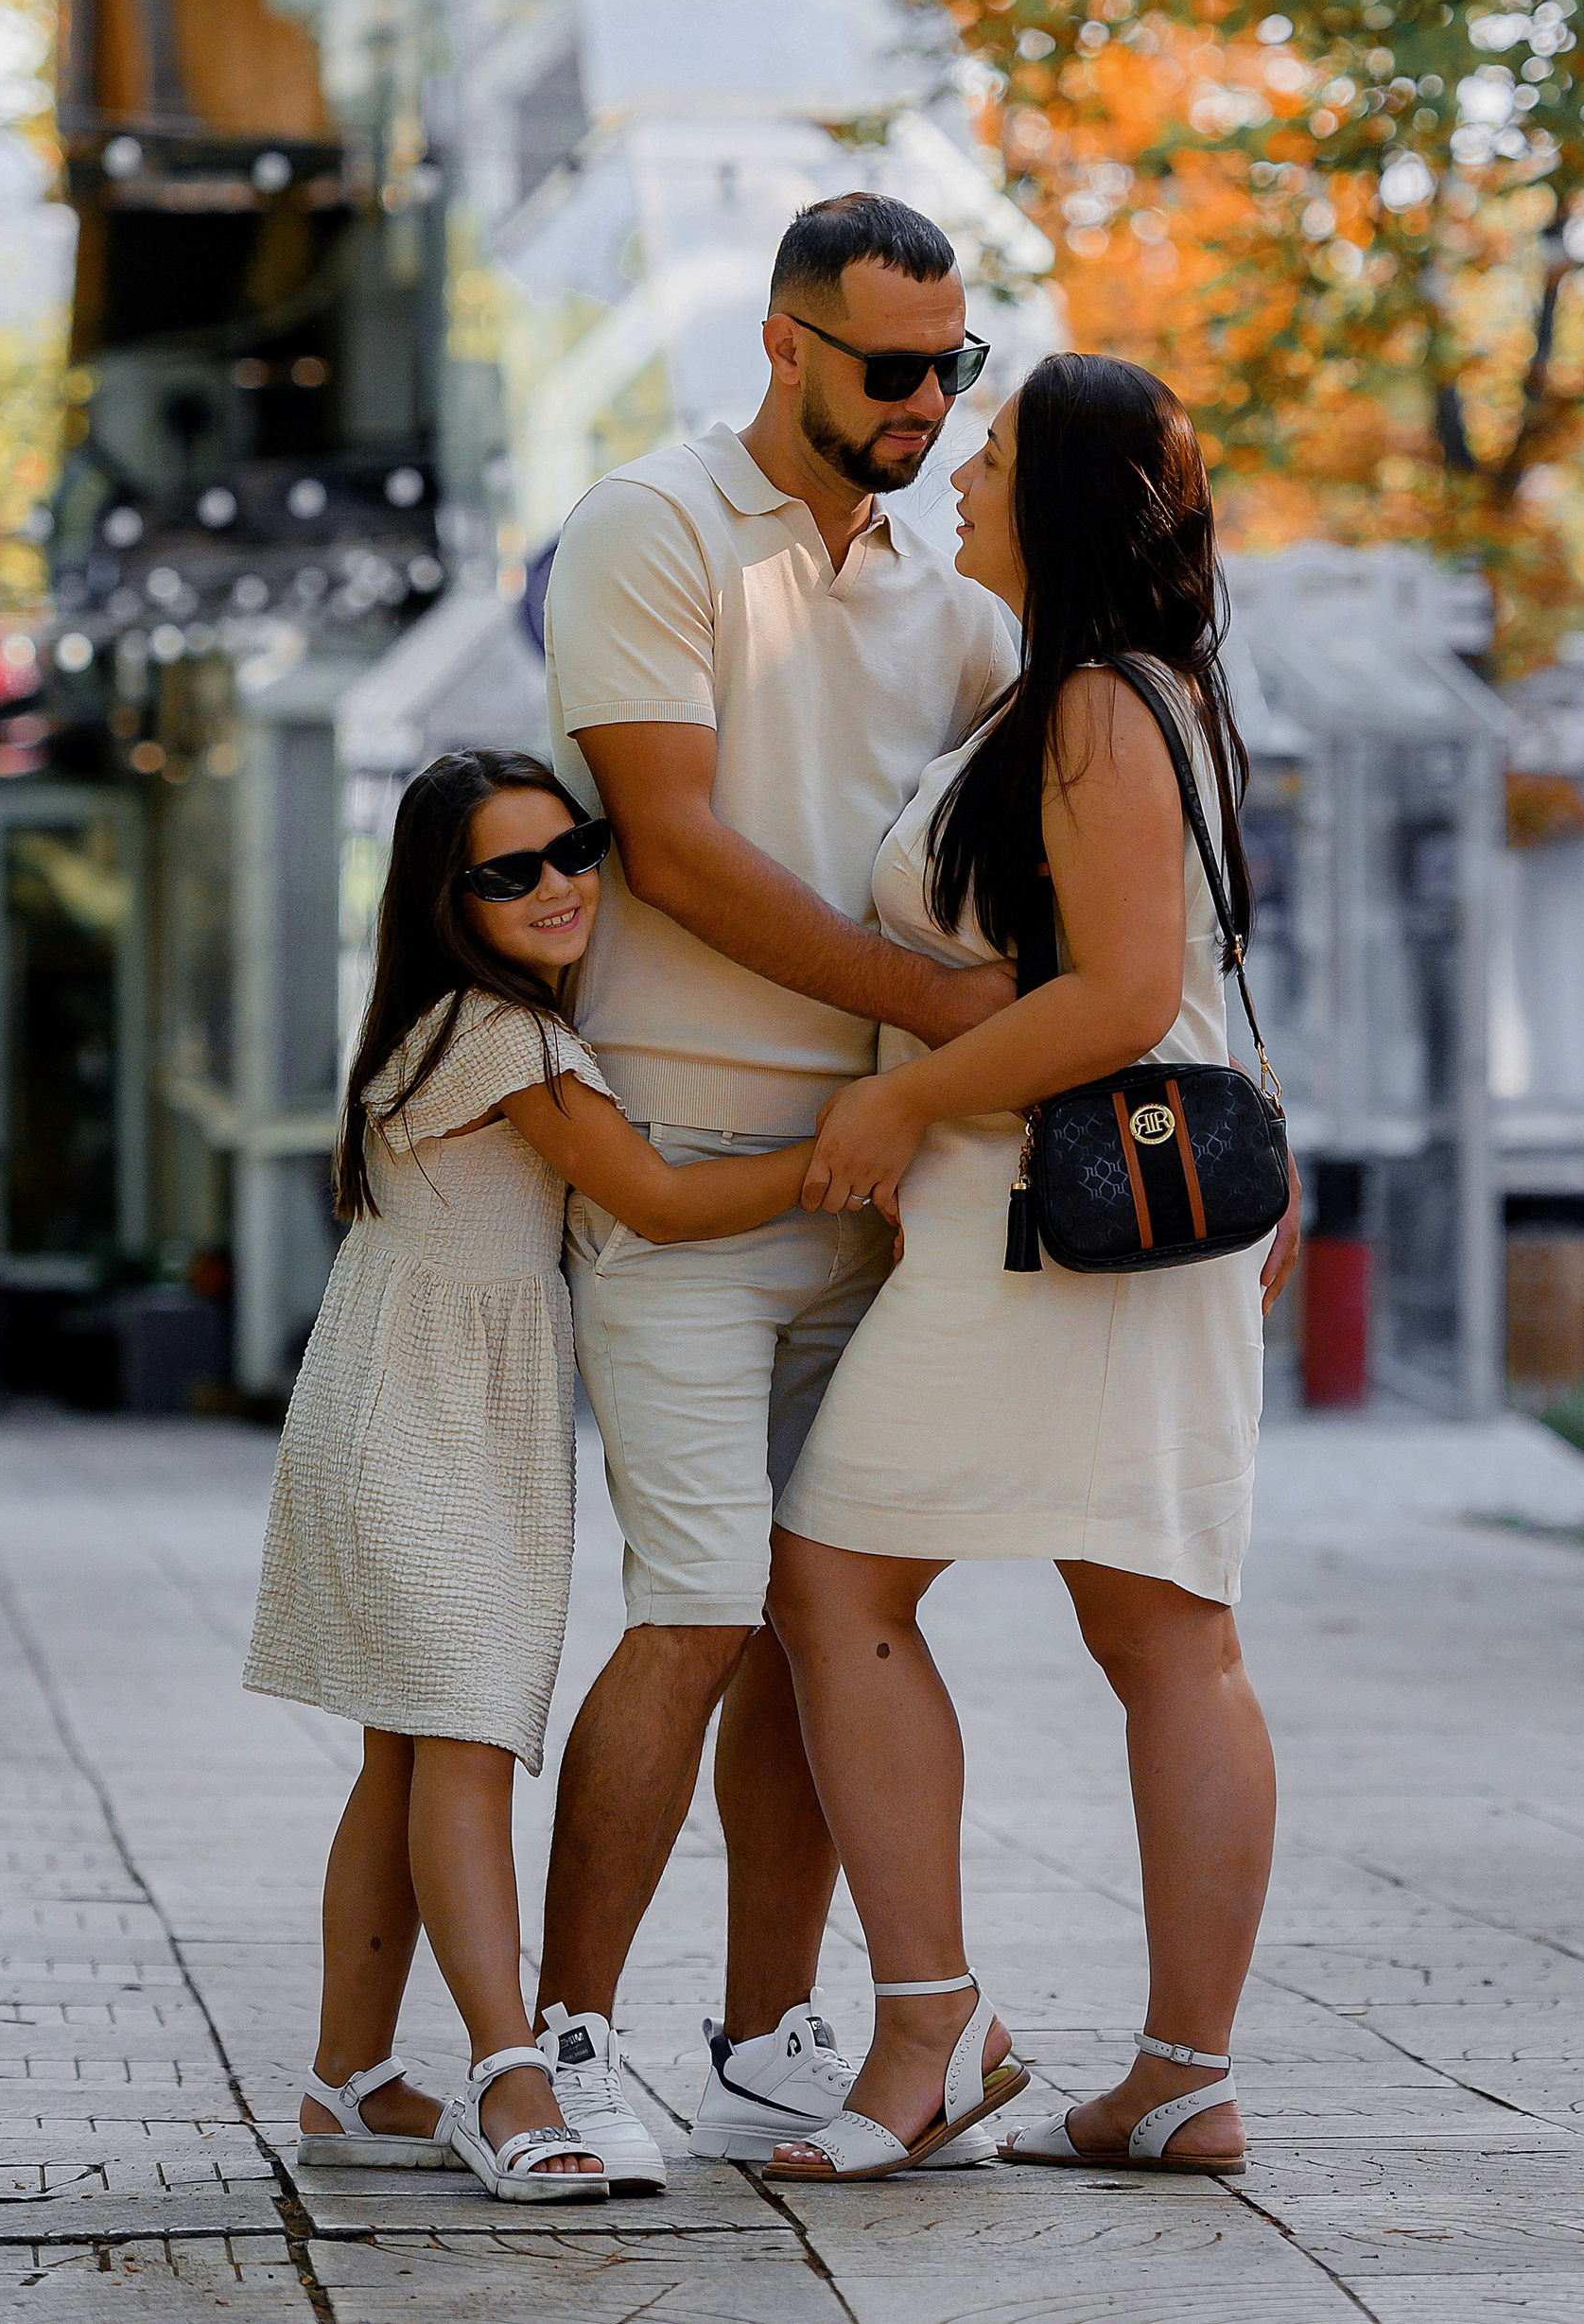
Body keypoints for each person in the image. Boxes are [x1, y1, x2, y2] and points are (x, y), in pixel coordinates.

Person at [761, 353, 1302, 2182]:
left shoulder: (1092, 704)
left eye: (992, 456)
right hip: (1077, 1234)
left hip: (1049, 1232)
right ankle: (1168, 2075)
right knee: (1160, 1633)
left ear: (1059, 497)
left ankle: (944, 2030)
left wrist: (901, 1101)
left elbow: (1128, 995)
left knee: (847, 1577)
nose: (961, 480)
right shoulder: (1126, 691)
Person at [530, 193, 1021, 2175]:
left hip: (890, 1196)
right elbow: (667, 844)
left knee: (836, 1618)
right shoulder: (649, 528)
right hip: (683, 1163)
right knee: (698, 1604)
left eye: (952, 367)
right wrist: (929, 1006)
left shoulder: (960, 611)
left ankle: (766, 2029)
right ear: (783, 343)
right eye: (891, 366)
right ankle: (564, 2040)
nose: (925, 402)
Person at [243, 749, 821, 2205]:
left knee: (406, 1749)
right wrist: (863, 1150)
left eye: (575, 851)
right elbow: (660, 1201)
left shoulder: (443, 1019)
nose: (559, 886)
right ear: (449, 899)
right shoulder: (501, 1035)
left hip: (411, 1400)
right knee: (462, 1737)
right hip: (428, 1420)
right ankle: (512, 2075)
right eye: (512, 872)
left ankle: (348, 2075)